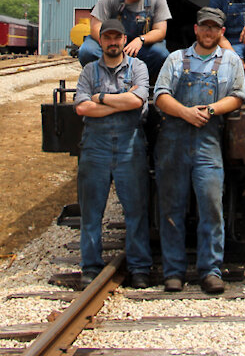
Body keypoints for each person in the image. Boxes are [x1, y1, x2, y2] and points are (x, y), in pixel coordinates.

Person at [152, 7, 245, 294]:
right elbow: (160, 95)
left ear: (221, 32)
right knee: (171, 207)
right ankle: (173, 271)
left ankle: (210, 269)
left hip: (208, 139)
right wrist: (185, 112)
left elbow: (238, 96)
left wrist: (210, 110)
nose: (209, 32)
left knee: (211, 205)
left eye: (214, 28)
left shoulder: (231, 61)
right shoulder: (175, 59)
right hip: (173, 140)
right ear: (196, 29)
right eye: (204, 27)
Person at [73, 19, 152, 289]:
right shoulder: (88, 71)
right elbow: (82, 108)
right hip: (96, 146)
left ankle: (140, 266)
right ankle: (90, 266)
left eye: (117, 37)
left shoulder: (138, 67)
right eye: (107, 37)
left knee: (136, 209)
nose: (112, 41)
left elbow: (137, 101)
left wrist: (101, 99)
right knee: (91, 210)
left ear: (124, 38)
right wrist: (122, 102)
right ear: (101, 41)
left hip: (130, 143)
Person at [78, 0, 171, 83]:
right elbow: (95, 27)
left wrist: (141, 40)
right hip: (111, 43)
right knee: (87, 51)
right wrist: (114, 45)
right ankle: (101, 82)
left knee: (160, 53)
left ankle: (143, 83)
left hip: (138, 48)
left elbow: (160, 31)